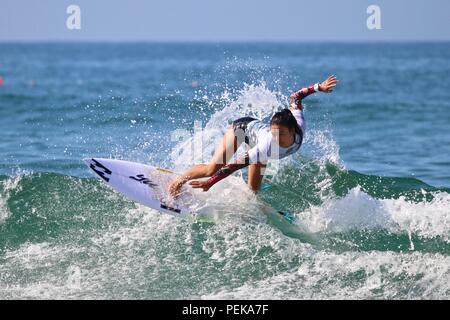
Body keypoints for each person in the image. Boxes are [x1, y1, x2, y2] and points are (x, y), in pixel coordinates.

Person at [168, 75, 338, 196]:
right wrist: (210, 182)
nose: (276, 137)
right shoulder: (267, 145)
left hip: (256, 138)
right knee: (212, 169)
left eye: (281, 134)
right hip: (240, 130)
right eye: (274, 133)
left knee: (254, 190)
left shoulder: (299, 123)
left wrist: (318, 88)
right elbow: (233, 165)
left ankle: (250, 206)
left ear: (293, 130)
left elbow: (296, 97)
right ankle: (179, 180)